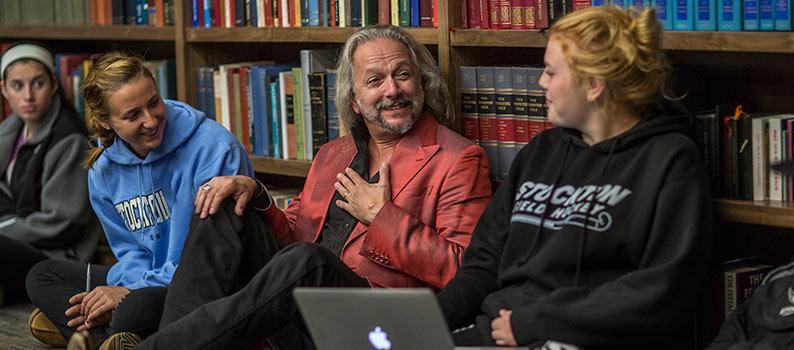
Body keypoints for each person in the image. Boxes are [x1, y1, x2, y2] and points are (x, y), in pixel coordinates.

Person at [105, 24, 492, 350]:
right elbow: (293, 237)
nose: (392, 90)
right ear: (355, 101)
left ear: (420, 82)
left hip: (372, 322)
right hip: (295, 309)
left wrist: (382, 217)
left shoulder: (458, 159)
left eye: (402, 75)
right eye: (375, 81)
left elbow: (464, 272)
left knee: (309, 262)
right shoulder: (332, 155)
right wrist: (256, 196)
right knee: (222, 201)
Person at [437, 6, 713, 348]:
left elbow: (660, 291)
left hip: (579, 338)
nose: (541, 82)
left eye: (551, 72)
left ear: (594, 85)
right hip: (499, 333)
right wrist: (426, 319)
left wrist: (537, 321)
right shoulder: (540, 152)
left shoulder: (669, 159)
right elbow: (483, 266)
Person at [25, 51, 253, 348]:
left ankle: (85, 331)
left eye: (154, 102)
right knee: (41, 276)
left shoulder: (214, 148)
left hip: (204, 287)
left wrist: (129, 293)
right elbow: (129, 252)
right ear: (105, 122)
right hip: (148, 280)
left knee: (132, 310)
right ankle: (110, 337)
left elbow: (211, 262)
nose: (150, 120)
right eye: (132, 115)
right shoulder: (103, 171)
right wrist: (125, 287)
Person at [0, 42, 99, 307]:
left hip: (56, 255)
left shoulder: (70, 139)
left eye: (38, 83)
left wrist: (5, 225)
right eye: (17, 86)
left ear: (54, 84)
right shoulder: (10, 132)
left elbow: (61, 224)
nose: (28, 96)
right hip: (19, 239)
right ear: (4, 90)